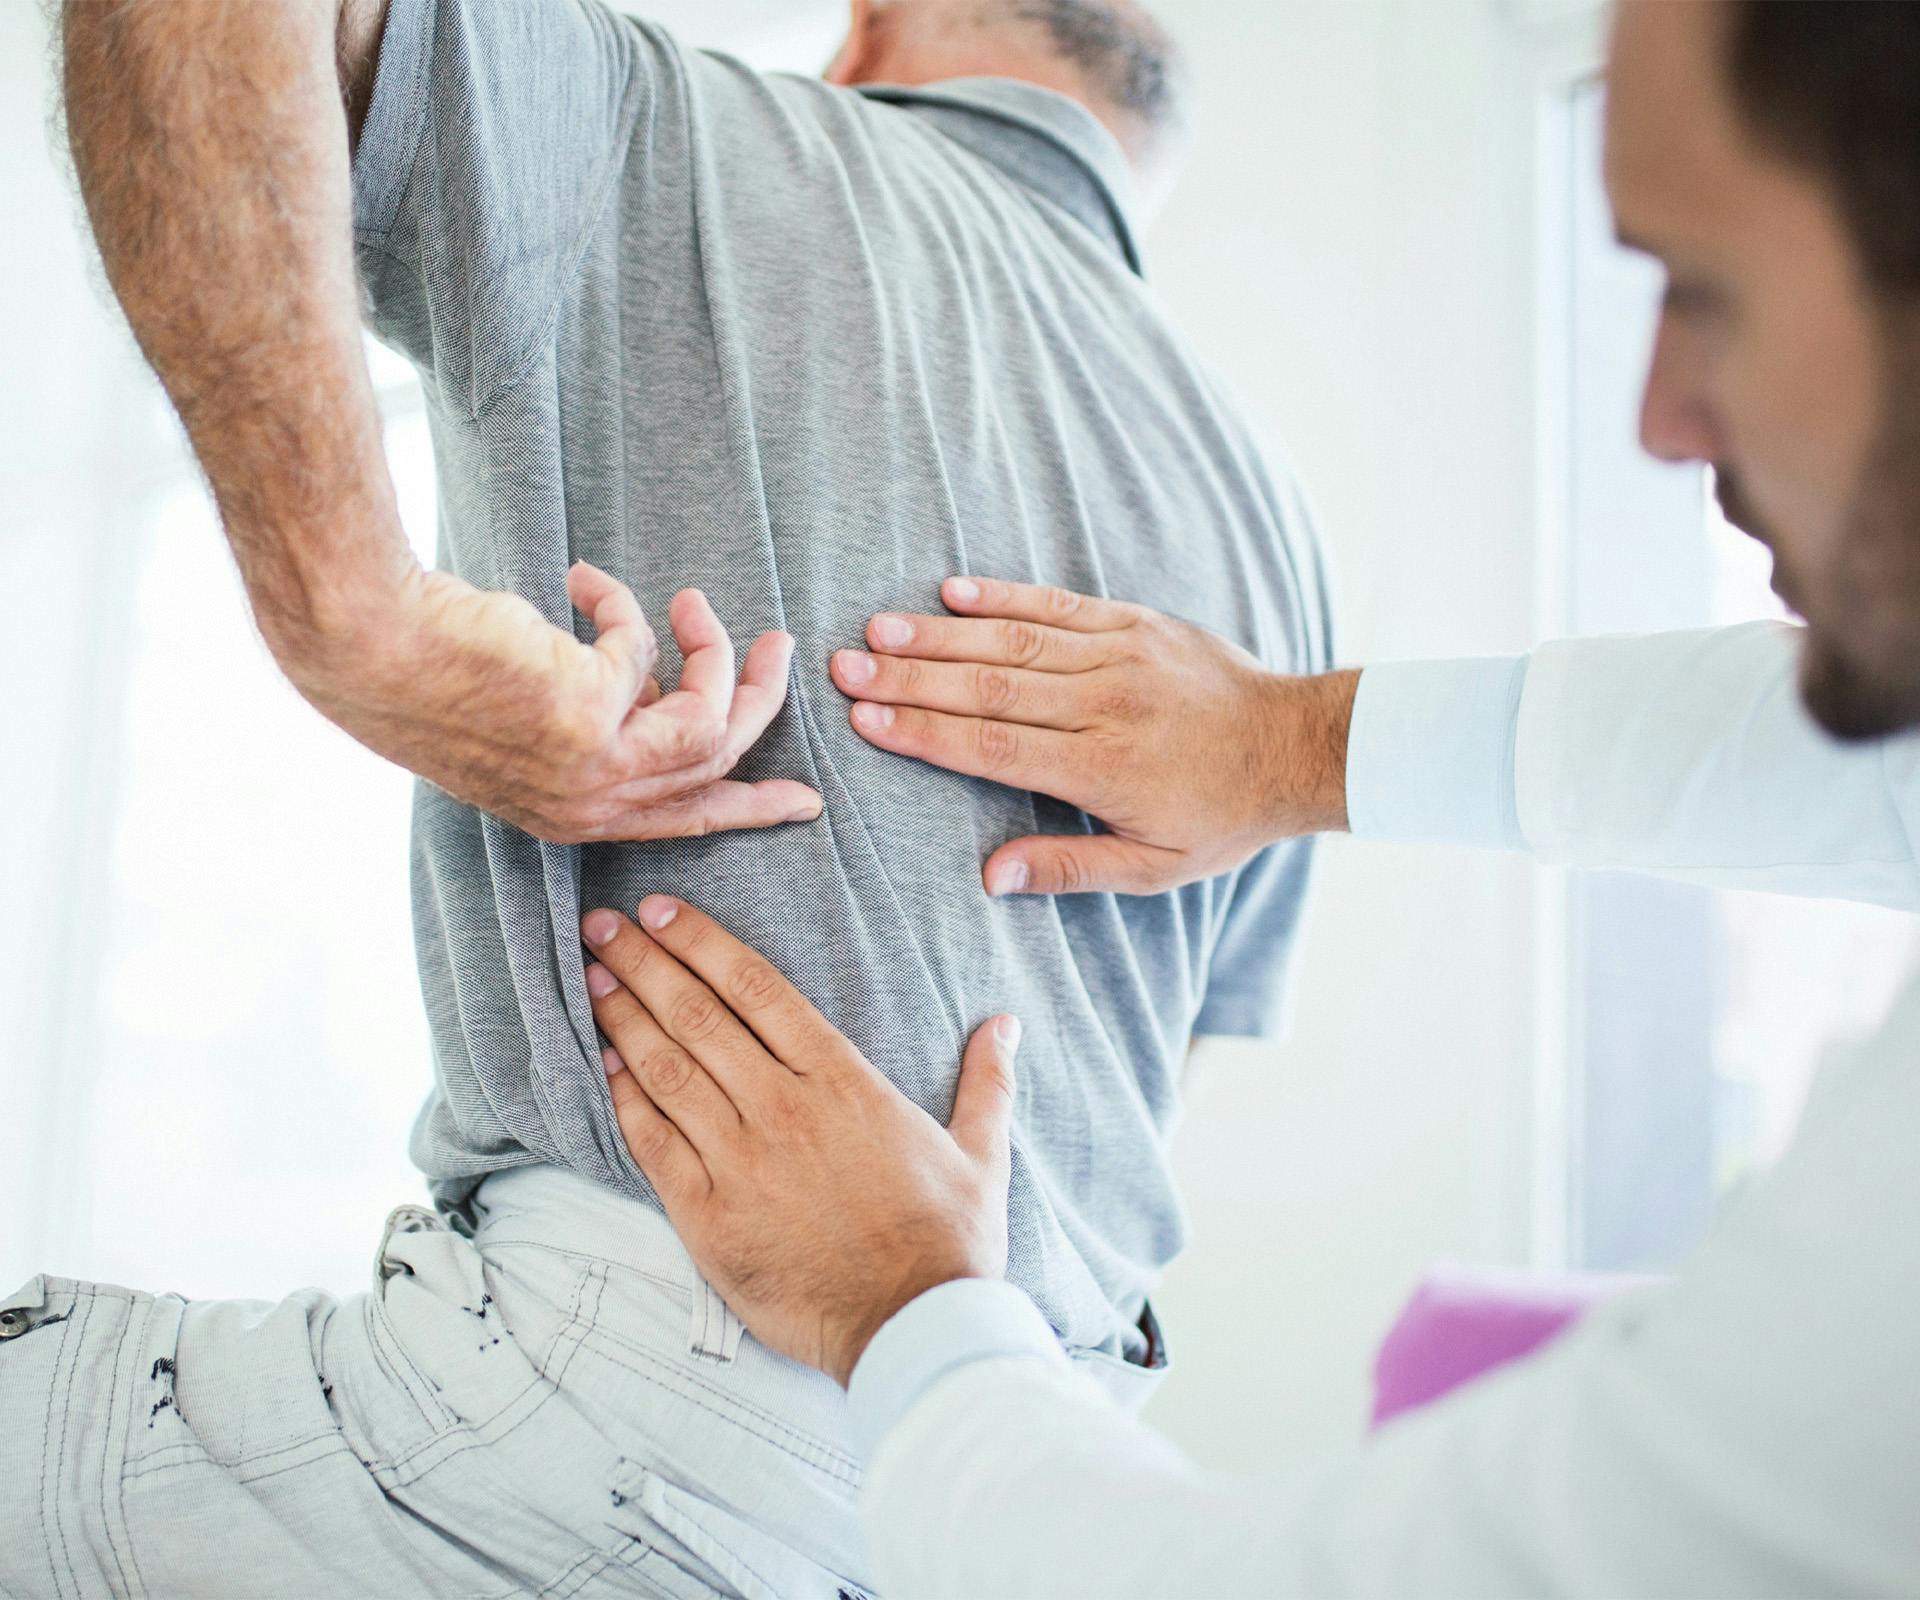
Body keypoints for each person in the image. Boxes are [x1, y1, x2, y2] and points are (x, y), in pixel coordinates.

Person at [570, 1, 1920, 1593]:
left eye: (1706, 286)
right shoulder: (1264, 510)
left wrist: (907, 1310)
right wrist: (1296, 745)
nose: (1655, 416)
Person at [7, 0, 1334, 1593]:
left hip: (639, 1421)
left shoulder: (676, 125)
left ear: (867, 33)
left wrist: (350, 614)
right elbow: (1123, 1103)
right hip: (998, 1481)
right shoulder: (1279, 542)